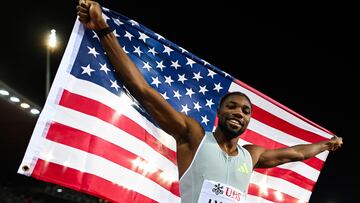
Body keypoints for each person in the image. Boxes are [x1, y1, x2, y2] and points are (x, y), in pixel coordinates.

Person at [77, 1, 343, 202]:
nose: (239, 112)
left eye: (246, 110)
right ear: (219, 111)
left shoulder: (252, 155)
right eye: (232, 106)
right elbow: (142, 89)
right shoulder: (193, 136)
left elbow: (296, 153)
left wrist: (326, 144)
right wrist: (103, 30)